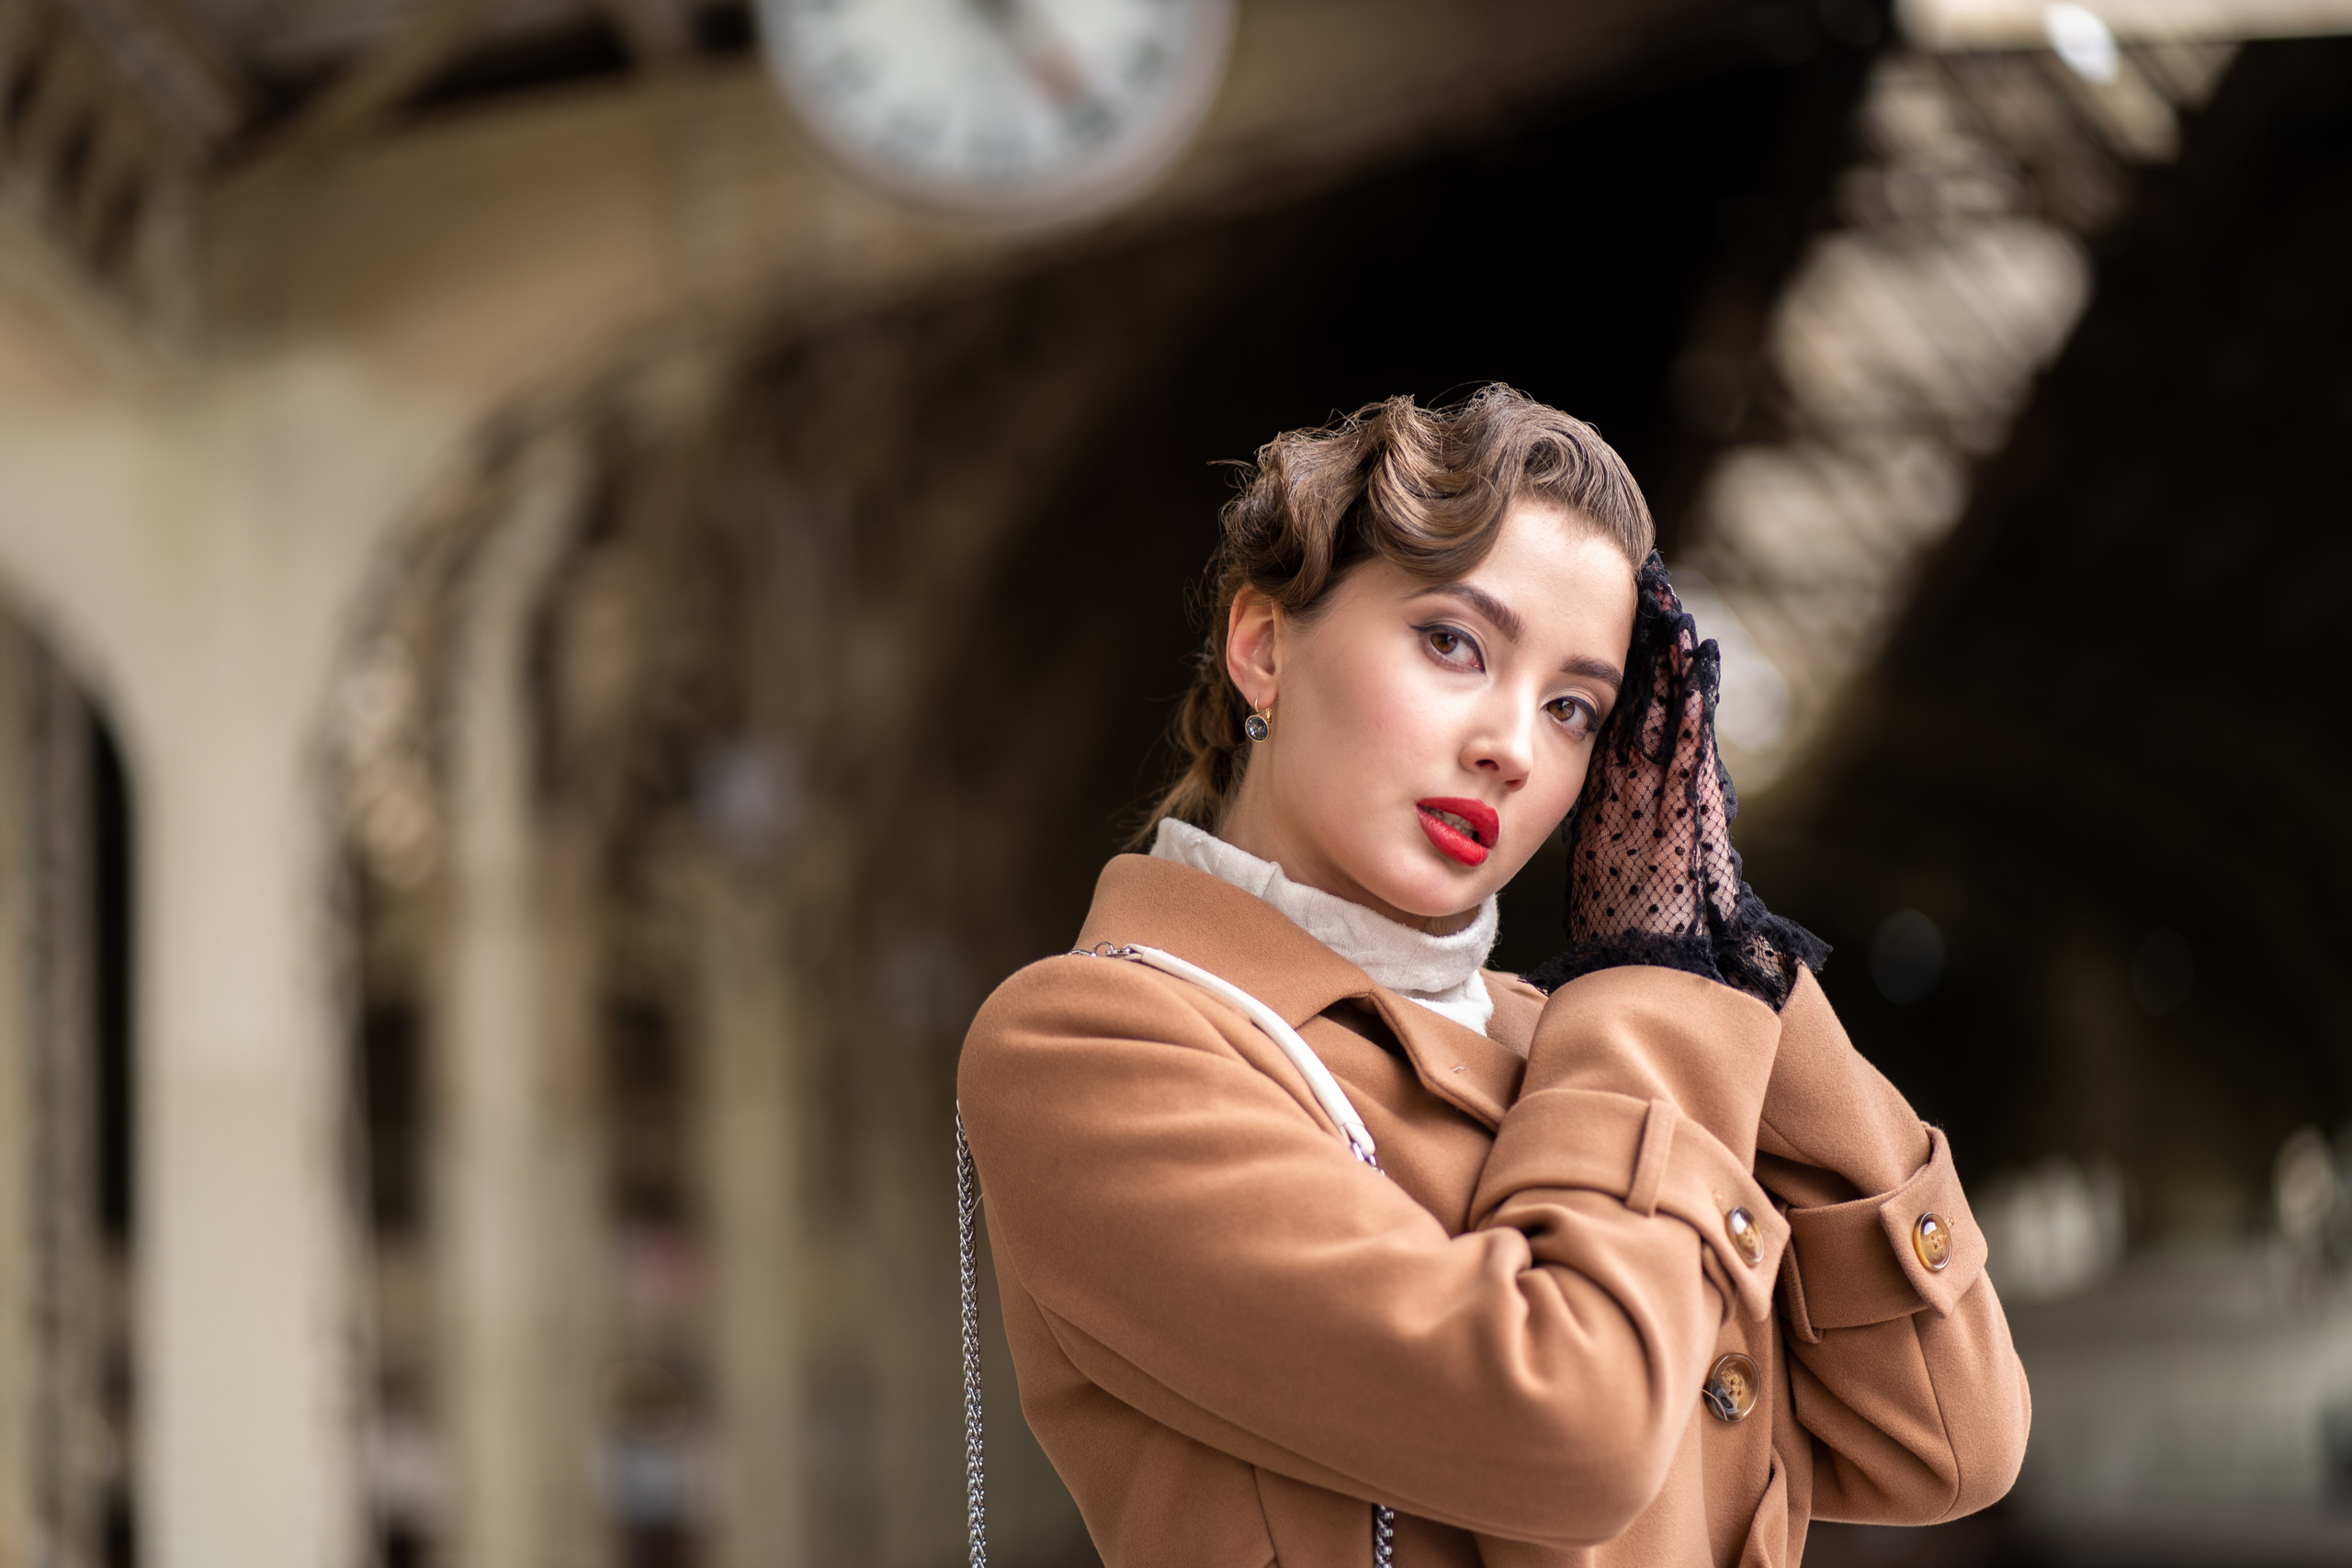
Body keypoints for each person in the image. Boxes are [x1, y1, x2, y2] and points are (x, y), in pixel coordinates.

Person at [956, 386, 2028, 1567]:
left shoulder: (1577, 1043)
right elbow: (1573, 1431)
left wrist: (1740, 964)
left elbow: (1944, 1440)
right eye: (1452, 642)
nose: (1512, 746)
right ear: (1263, 647)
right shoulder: (1095, 1043)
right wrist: (1657, 995)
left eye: (1575, 708)